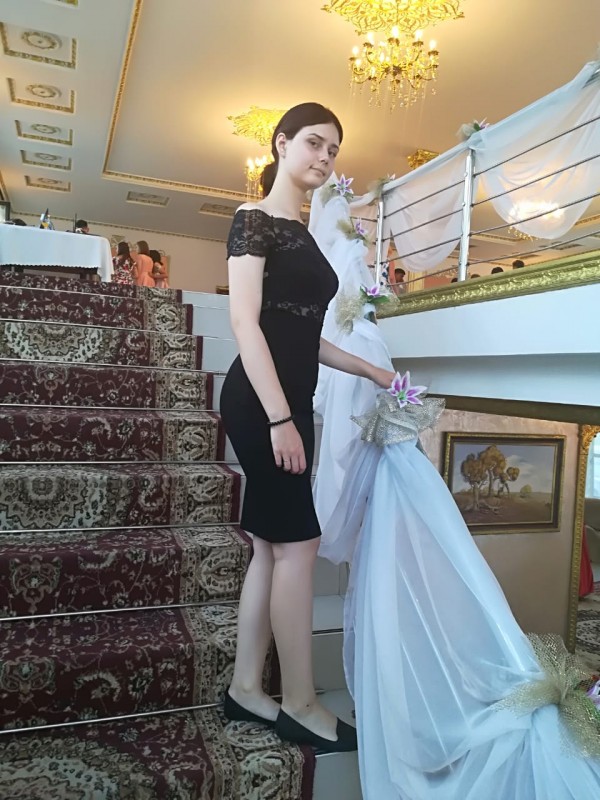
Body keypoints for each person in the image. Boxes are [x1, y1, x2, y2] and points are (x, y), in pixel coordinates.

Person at [311, 184, 600, 799]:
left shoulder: (358, 339)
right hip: (386, 474)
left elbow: (341, 437)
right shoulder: (361, 341)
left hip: (387, 475)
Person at [219, 103, 395, 754]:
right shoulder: (254, 219)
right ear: (281, 143)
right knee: (299, 544)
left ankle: (246, 688)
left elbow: (303, 335)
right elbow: (246, 323)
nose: (325, 157)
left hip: (291, 399)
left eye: (334, 150)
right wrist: (280, 419)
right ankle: (299, 701)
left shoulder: (304, 232)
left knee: (272, 548)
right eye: (315, 144)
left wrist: (370, 370)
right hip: (263, 403)